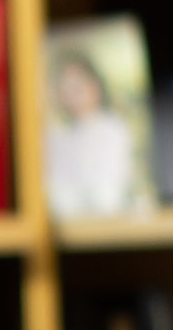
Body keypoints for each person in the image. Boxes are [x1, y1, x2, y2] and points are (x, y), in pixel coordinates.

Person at [44, 47, 143, 218]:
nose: (71, 96)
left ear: (95, 85)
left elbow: (108, 196)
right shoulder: (59, 136)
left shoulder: (113, 129)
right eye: (64, 89)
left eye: (77, 87)